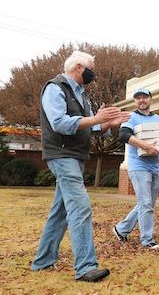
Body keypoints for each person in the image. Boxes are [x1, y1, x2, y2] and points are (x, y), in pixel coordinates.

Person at [32, 50, 130, 282]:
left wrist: (107, 124)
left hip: (74, 157)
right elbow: (59, 123)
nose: (92, 74)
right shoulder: (55, 88)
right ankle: (85, 267)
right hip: (61, 155)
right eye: (91, 69)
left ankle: (43, 261)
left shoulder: (81, 95)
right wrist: (96, 119)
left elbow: (89, 127)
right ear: (78, 67)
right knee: (80, 207)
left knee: (61, 212)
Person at [112, 87, 159, 249]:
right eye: (138, 98)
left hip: (155, 166)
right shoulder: (131, 117)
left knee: (147, 204)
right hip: (138, 166)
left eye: (144, 97)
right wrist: (145, 146)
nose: (141, 100)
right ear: (135, 101)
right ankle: (147, 241)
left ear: (150, 99)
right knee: (146, 203)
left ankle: (121, 229)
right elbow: (123, 135)